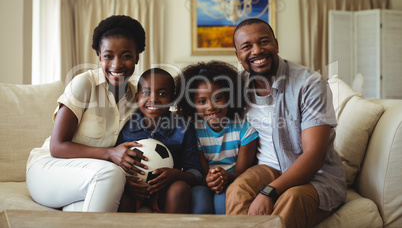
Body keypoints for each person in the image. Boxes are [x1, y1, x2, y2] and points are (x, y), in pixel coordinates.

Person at [226, 18, 346, 228]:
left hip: (316, 176)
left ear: (276, 44)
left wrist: (269, 191)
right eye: (247, 47)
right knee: (237, 189)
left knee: (292, 198)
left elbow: (314, 156)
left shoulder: (309, 83)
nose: (257, 51)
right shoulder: (238, 85)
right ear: (238, 56)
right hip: (267, 168)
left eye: (264, 42)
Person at [26, 15, 149, 212]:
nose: (116, 65)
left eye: (126, 56)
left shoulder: (137, 98)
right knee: (111, 175)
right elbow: (57, 146)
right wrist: (110, 154)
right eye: (108, 56)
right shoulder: (85, 84)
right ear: (99, 57)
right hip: (49, 170)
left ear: (137, 57)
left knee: (117, 202)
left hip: (90, 178)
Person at [175, 61, 258, 215]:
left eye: (218, 98)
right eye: (202, 102)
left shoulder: (245, 129)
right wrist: (211, 179)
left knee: (223, 203)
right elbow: (202, 172)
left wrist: (227, 177)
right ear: (192, 104)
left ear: (229, 97)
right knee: (200, 202)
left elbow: (243, 174)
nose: (210, 107)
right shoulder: (193, 129)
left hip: (235, 181)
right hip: (204, 182)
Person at [116, 68, 202, 213]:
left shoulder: (184, 128)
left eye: (162, 94)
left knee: (179, 188)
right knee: (119, 193)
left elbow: (196, 173)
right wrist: (125, 183)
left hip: (166, 191)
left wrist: (176, 174)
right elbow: (114, 163)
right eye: (146, 93)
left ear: (172, 99)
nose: (154, 99)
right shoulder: (125, 126)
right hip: (133, 191)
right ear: (137, 97)